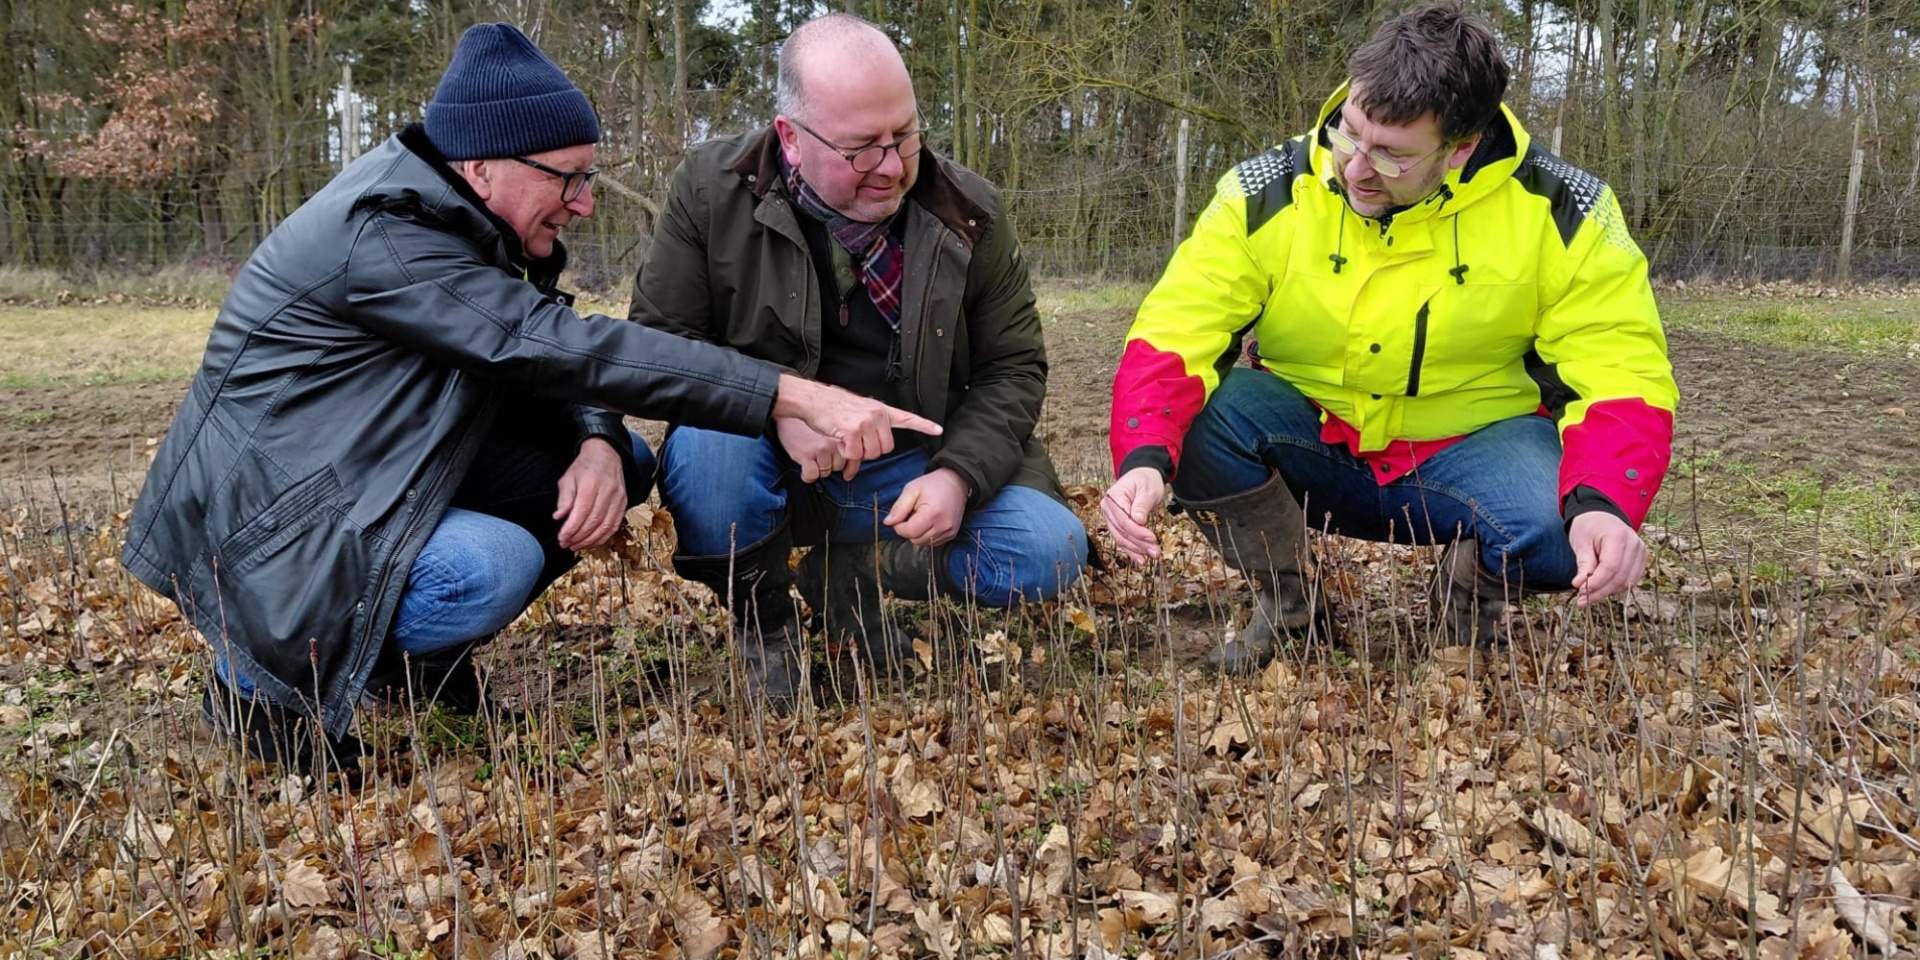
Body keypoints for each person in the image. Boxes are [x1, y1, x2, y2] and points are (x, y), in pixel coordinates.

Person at [121, 22, 938, 774]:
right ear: (483, 166)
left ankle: (414, 667)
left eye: (590, 177)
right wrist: (788, 395)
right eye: (569, 179)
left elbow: (544, 343)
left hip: (368, 471)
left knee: (625, 461)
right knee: (487, 568)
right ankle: (256, 689)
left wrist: (598, 443)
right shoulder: (388, 236)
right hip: (275, 525)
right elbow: (550, 342)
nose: (584, 203)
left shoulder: (463, 213)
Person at [1102, 0, 1679, 670]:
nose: (1354, 169)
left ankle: (1464, 613)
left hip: (1472, 451)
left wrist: (1605, 502)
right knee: (1194, 422)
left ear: (1461, 148)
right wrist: (1143, 460)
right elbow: (1176, 328)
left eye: (1392, 156)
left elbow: (1620, 368)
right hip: (1313, 435)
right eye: (1349, 134)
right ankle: (1290, 607)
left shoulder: (1566, 210)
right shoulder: (1265, 191)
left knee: (1562, 528)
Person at [628, 13, 1088, 706]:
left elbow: (1014, 368)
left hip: (913, 467)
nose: (893, 165)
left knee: (1049, 548)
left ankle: (853, 573)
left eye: (904, 134)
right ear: (791, 139)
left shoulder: (969, 211)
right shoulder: (709, 190)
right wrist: (776, 406)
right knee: (706, 456)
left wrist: (958, 478)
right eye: (862, 147)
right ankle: (765, 618)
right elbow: (659, 349)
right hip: (776, 465)